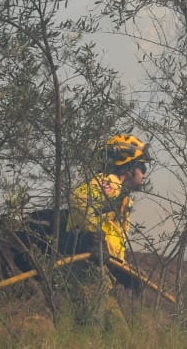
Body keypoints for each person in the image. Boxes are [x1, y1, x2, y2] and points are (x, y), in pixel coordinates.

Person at [64, 133, 150, 329]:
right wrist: (96, 238)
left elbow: (112, 239)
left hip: (103, 271)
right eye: (141, 167)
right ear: (128, 168)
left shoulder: (122, 197)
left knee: (120, 337)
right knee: (92, 328)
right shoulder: (110, 183)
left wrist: (124, 270)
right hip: (88, 268)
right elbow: (79, 199)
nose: (144, 173)